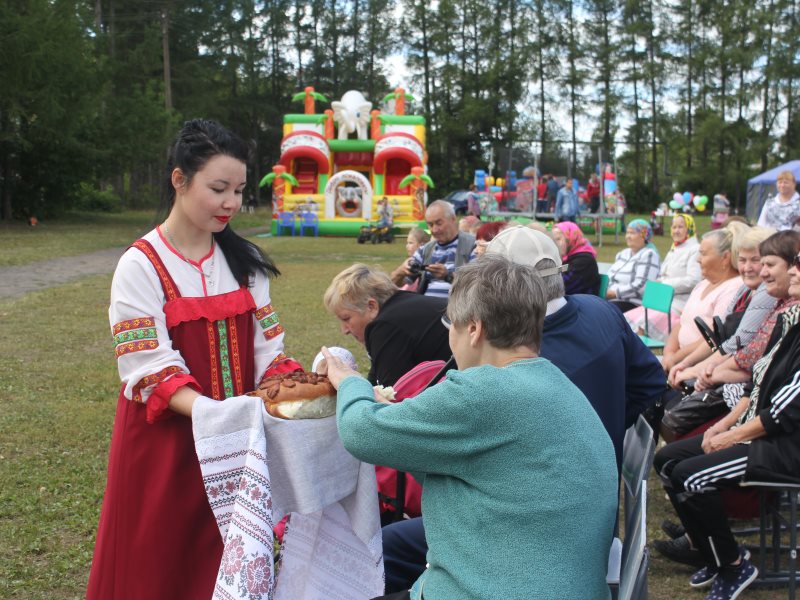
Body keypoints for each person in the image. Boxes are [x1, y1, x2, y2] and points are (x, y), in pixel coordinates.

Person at [379, 227, 666, 594]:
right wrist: (601, 426)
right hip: (594, 517)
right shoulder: (602, 312)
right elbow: (650, 386)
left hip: (523, 534)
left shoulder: (510, 360)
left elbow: (430, 445)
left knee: (389, 545)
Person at [86, 119, 301, 599]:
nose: (231, 203)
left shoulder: (243, 263)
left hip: (239, 444)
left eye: (240, 191)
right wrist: (216, 414)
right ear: (179, 180)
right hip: (166, 444)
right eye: (219, 188)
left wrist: (306, 387)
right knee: (156, 564)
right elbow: (148, 368)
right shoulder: (141, 264)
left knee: (228, 560)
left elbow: (270, 355)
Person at [322, 256, 618, 600]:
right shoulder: (555, 382)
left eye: (452, 326)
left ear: (474, 329)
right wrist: (400, 420)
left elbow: (361, 432)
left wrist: (349, 382)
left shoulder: (483, 392)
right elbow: (481, 464)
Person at [651, 252, 800, 600]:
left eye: (798, 264)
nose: (793, 270)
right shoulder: (791, 319)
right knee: (667, 460)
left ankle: (732, 566)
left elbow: (783, 411)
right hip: (761, 432)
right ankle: (712, 551)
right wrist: (723, 428)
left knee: (692, 476)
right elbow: (757, 386)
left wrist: (732, 435)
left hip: (784, 448)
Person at [668, 226, 778, 389]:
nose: (747, 267)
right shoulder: (745, 289)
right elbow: (718, 335)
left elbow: (738, 343)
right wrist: (684, 364)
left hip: (745, 381)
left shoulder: (766, 291)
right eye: (742, 260)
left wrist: (693, 370)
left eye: (755, 260)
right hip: (718, 367)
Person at [323, 263, 451, 386]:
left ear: (371, 306)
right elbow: (374, 381)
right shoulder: (402, 307)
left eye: (346, 318)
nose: (344, 330)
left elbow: (390, 395)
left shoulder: (386, 325)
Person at [661, 228, 743, 374]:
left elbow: (712, 338)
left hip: (699, 367)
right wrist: (668, 354)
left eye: (703, 254)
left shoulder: (734, 288)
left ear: (725, 257)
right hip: (678, 362)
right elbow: (682, 322)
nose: (698, 259)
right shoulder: (703, 283)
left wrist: (675, 360)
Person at [624, 214, 702, 339]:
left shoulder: (695, 249)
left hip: (679, 304)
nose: (676, 230)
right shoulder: (674, 248)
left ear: (689, 228)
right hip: (661, 301)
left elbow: (694, 280)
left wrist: (665, 284)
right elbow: (663, 275)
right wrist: (657, 283)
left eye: (680, 227)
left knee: (642, 325)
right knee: (627, 319)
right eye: (674, 226)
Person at [398, 200, 476, 297]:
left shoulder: (473, 245)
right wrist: (401, 271)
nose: (434, 229)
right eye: (430, 225)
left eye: (439, 223)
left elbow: (478, 286)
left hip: (457, 308)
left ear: (453, 219)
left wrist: (448, 276)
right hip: (426, 306)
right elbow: (399, 284)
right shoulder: (425, 250)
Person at [605, 219, 661, 310]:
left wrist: (614, 293)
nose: (628, 236)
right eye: (627, 233)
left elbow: (642, 286)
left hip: (631, 304)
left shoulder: (649, 254)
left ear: (644, 236)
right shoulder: (622, 253)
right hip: (611, 299)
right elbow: (610, 276)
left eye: (632, 233)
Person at [552, 221, 600, 295]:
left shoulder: (585, 260)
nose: (555, 243)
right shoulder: (567, 258)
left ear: (571, 238)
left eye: (558, 239)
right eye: (553, 240)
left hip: (582, 304)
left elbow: (562, 287)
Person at [390, 227, 431, 291]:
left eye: (410, 243)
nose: (407, 246)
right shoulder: (410, 262)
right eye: (407, 243)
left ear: (422, 245)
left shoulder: (418, 263)